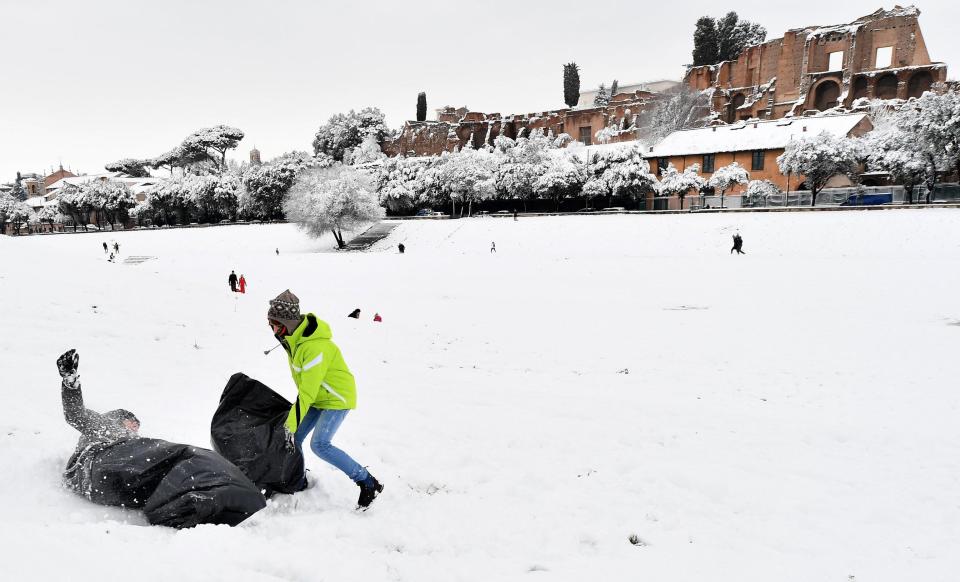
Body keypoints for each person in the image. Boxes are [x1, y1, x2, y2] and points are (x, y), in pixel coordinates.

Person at [267, 290, 383, 509]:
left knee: (319, 445)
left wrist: (290, 424)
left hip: (337, 398)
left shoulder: (314, 347)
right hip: (318, 397)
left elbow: (307, 391)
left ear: (284, 323)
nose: (271, 329)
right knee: (295, 440)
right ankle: (297, 480)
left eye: (273, 324)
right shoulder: (294, 340)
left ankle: (367, 482)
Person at [57, 349, 141, 496]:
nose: (135, 427)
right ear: (121, 419)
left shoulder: (132, 440)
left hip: (106, 476)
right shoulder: (105, 426)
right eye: (133, 422)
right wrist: (71, 383)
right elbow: (75, 414)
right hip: (90, 468)